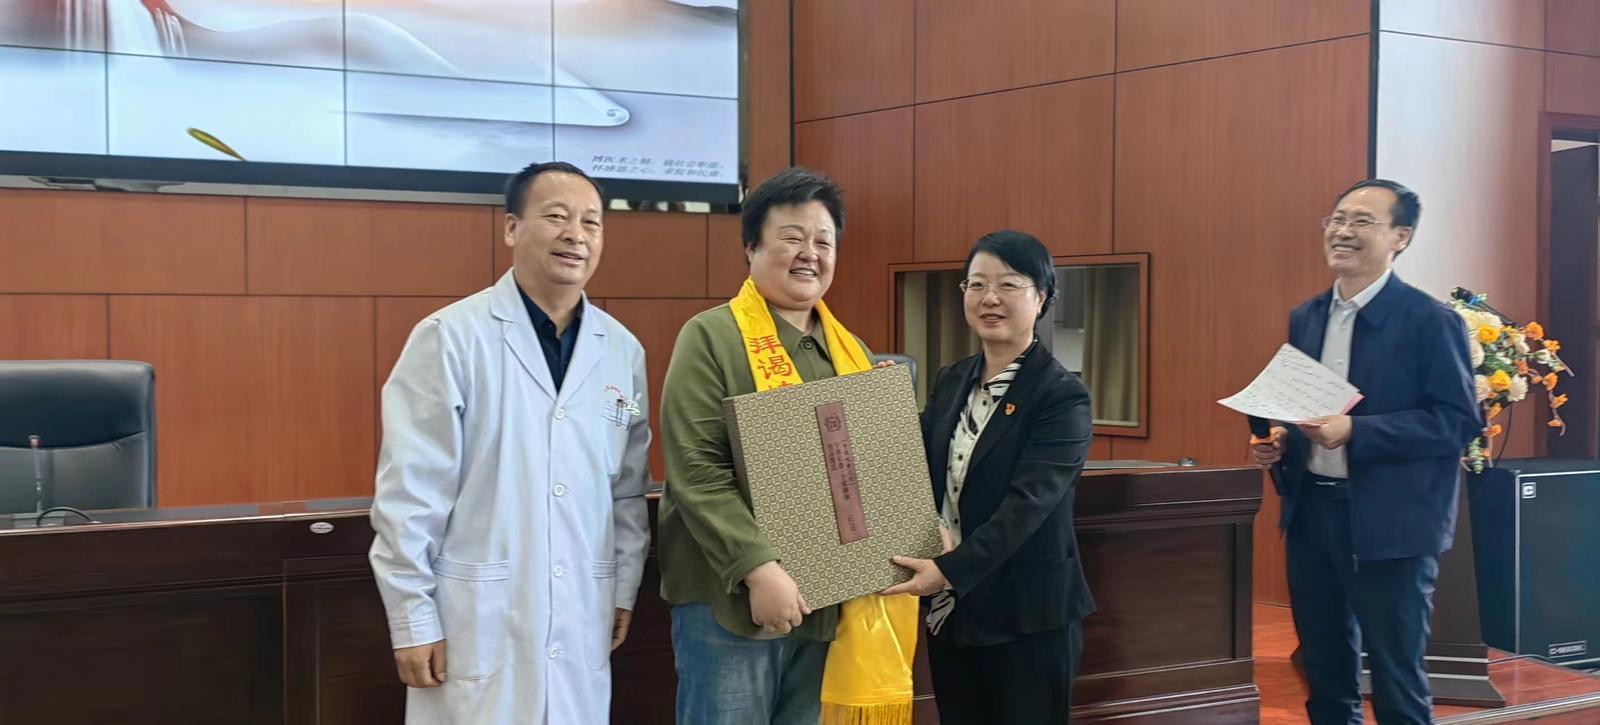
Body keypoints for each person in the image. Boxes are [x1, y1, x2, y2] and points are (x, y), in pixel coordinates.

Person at [368, 161, 652, 724]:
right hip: (476, 621)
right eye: (557, 217)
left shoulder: (622, 351)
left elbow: (626, 491)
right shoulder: (450, 338)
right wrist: (412, 618)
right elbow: (411, 494)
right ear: (511, 228)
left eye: (591, 222)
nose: (576, 234)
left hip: (583, 611)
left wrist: (622, 587)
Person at [657, 166, 916, 724]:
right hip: (730, 600)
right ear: (751, 246)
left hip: (829, 603)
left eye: (824, 241)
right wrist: (759, 568)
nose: (810, 254)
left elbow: (869, 474)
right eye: (792, 237)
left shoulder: (854, 354)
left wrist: (920, 528)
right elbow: (697, 470)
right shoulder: (711, 336)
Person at [1252, 179, 1481, 724]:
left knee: (1397, 676)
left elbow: (1457, 422)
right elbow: (1305, 405)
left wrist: (1358, 432)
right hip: (1313, 514)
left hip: (1393, 523)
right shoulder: (1307, 316)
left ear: (1401, 237)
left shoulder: (1430, 320)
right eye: (1336, 219)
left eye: (1361, 221)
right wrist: (1280, 439)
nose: (1342, 231)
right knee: (1324, 668)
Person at [884, 230, 1096, 723]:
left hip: (1027, 616)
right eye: (976, 284)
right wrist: (870, 413)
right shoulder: (951, 379)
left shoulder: (1062, 396)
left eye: (1008, 284)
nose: (989, 298)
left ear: (1042, 297)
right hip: (953, 610)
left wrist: (949, 570)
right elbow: (913, 465)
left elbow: (1027, 506)